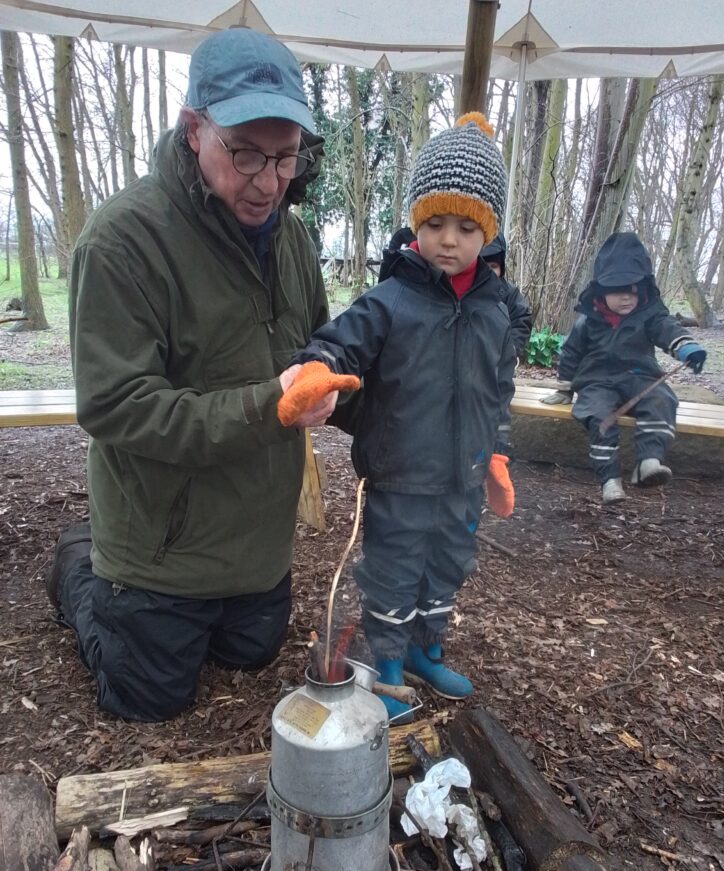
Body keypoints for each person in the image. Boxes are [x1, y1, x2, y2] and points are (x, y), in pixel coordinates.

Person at [45, 28, 350, 722]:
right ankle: (79, 565)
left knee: (252, 653)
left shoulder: (295, 239)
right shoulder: (123, 241)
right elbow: (116, 405)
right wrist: (266, 407)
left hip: (255, 547)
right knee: (147, 698)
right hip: (162, 546)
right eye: (245, 153)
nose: (269, 181)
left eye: (286, 158)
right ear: (193, 131)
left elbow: (319, 347)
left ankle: (203, 604)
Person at [277, 112, 517, 721]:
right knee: (393, 570)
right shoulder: (392, 299)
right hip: (400, 474)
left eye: (466, 226)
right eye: (434, 222)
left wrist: (496, 452)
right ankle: (385, 669)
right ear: (415, 221)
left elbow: (498, 388)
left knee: (446, 567)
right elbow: (340, 340)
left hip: (462, 478)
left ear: (487, 233)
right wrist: (316, 369)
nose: (448, 239)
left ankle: (425, 650)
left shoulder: (495, 312)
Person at [541, 232, 707, 504]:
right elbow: (570, 352)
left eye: (633, 289)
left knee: (662, 399)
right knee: (597, 415)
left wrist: (686, 347)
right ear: (601, 290)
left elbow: (667, 329)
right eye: (617, 290)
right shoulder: (588, 320)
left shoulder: (650, 314)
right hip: (597, 381)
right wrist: (565, 389)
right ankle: (609, 480)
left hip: (639, 378)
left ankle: (648, 462)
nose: (627, 297)